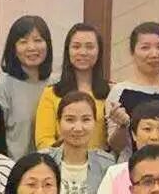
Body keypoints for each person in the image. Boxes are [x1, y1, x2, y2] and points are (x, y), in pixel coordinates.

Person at [105, 21, 159, 160]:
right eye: (145, 48)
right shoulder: (120, 91)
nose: (154, 54)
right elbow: (114, 146)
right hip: (128, 169)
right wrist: (122, 126)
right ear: (132, 52)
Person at [34, 23, 109, 151]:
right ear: (67, 50)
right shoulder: (51, 93)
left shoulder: (110, 92)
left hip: (101, 162)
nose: (83, 52)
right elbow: (43, 141)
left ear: (99, 51)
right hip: (61, 161)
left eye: (90, 47)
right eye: (76, 46)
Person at [0, 15, 52, 158]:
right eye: (23, 42)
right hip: (13, 167)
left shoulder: (56, 85)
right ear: (13, 48)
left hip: (50, 167)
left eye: (38, 40)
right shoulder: (3, 87)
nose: (32, 47)